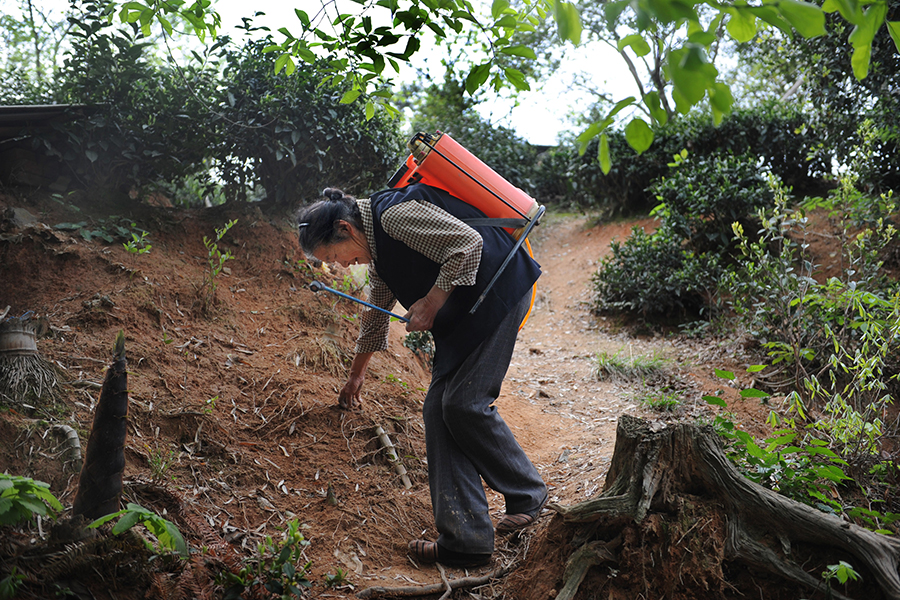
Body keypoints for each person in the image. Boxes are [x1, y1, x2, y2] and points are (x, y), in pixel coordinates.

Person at [296, 182, 548, 568]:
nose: (343, 266)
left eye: (336, 256)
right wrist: (356, 376)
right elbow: (376, 316)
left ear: (345, 229)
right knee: (437, 410)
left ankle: (528, 493)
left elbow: (467, 245)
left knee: (464, 403)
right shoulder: (378, 256)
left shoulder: (393, 216)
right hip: (466, 313)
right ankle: (465, 540)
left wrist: (432, 301)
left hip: (497, 292)